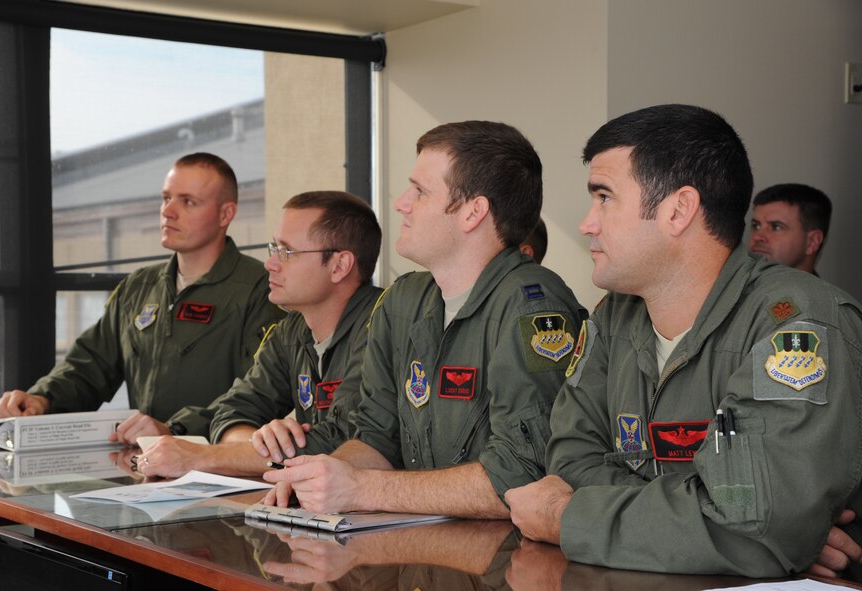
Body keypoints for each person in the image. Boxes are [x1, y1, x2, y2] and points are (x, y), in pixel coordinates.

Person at [505, 104, 862, 578]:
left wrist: (564, 516)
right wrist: (721, 525)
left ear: (678, 209)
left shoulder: (796, 324)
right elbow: (569, 458)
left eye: (605, 198)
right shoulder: (614, 318)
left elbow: (755, 529)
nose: (588, 223)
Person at [263, 120, 587, 518]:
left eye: (420, 191)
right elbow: (378, 439)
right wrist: (318, 477)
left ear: (473, 212)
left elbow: (520, 478)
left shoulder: (533, 306)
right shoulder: (403, 300)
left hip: (503, 563)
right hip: (417, 552)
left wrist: (363, 488)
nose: (401, 202)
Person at [0, 153, 285, 443]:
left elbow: (258, 394)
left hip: (219, 469)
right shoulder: (139, 286)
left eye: (188, 201)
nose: (168, 211)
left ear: (226, 214)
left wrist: (177, 430)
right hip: (145, 465)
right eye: (166, 197)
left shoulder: (260, 290)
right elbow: (90, 365)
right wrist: (42, 398)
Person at [134, 191, 383, 477]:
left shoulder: (381, 328)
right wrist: (260, 441)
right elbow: (231, 412)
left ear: (340, 266)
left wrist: (199, 458)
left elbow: (339, 445)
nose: (270, 263)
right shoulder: (290, 331)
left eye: (286, 252)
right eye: (273, 249)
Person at [748, 183, 832, 275]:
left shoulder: (820, 290)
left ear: (812, 242)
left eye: (776, 227)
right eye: (756, 225)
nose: (757, 237)